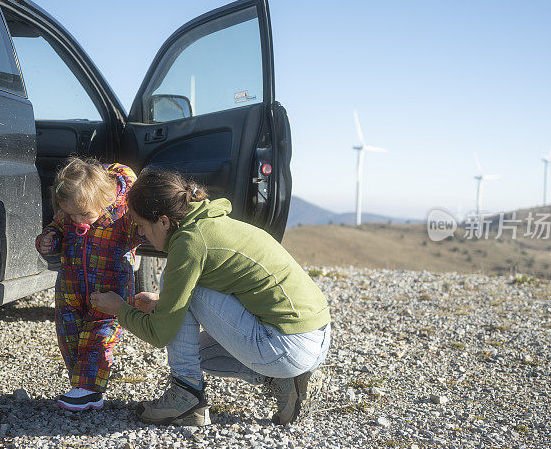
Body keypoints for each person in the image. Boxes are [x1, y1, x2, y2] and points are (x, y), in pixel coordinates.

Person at [90, 169, 331, 426]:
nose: (140, 234)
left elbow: (160, 334)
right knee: (198, 354)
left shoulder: (190, 243)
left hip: (288, 347)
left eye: (141, 225)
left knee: (181, 287)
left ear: (163, 221)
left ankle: (186, 396)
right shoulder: (208, 222)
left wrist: (119, 308)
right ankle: (282, 379)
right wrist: (164, 303)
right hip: (315, 338)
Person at [36, 157, 142, 411]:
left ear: (104, 200)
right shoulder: (72, 213)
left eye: (84, 214)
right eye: (70, 214)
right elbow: (57, 227)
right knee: (69, 336)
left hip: (110, 291)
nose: (78, 220)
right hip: (70, 289)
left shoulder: (123, 215)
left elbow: (143, 231)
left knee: (99, 336)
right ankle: (82, 385)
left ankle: (90, 390)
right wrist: (49, 239)